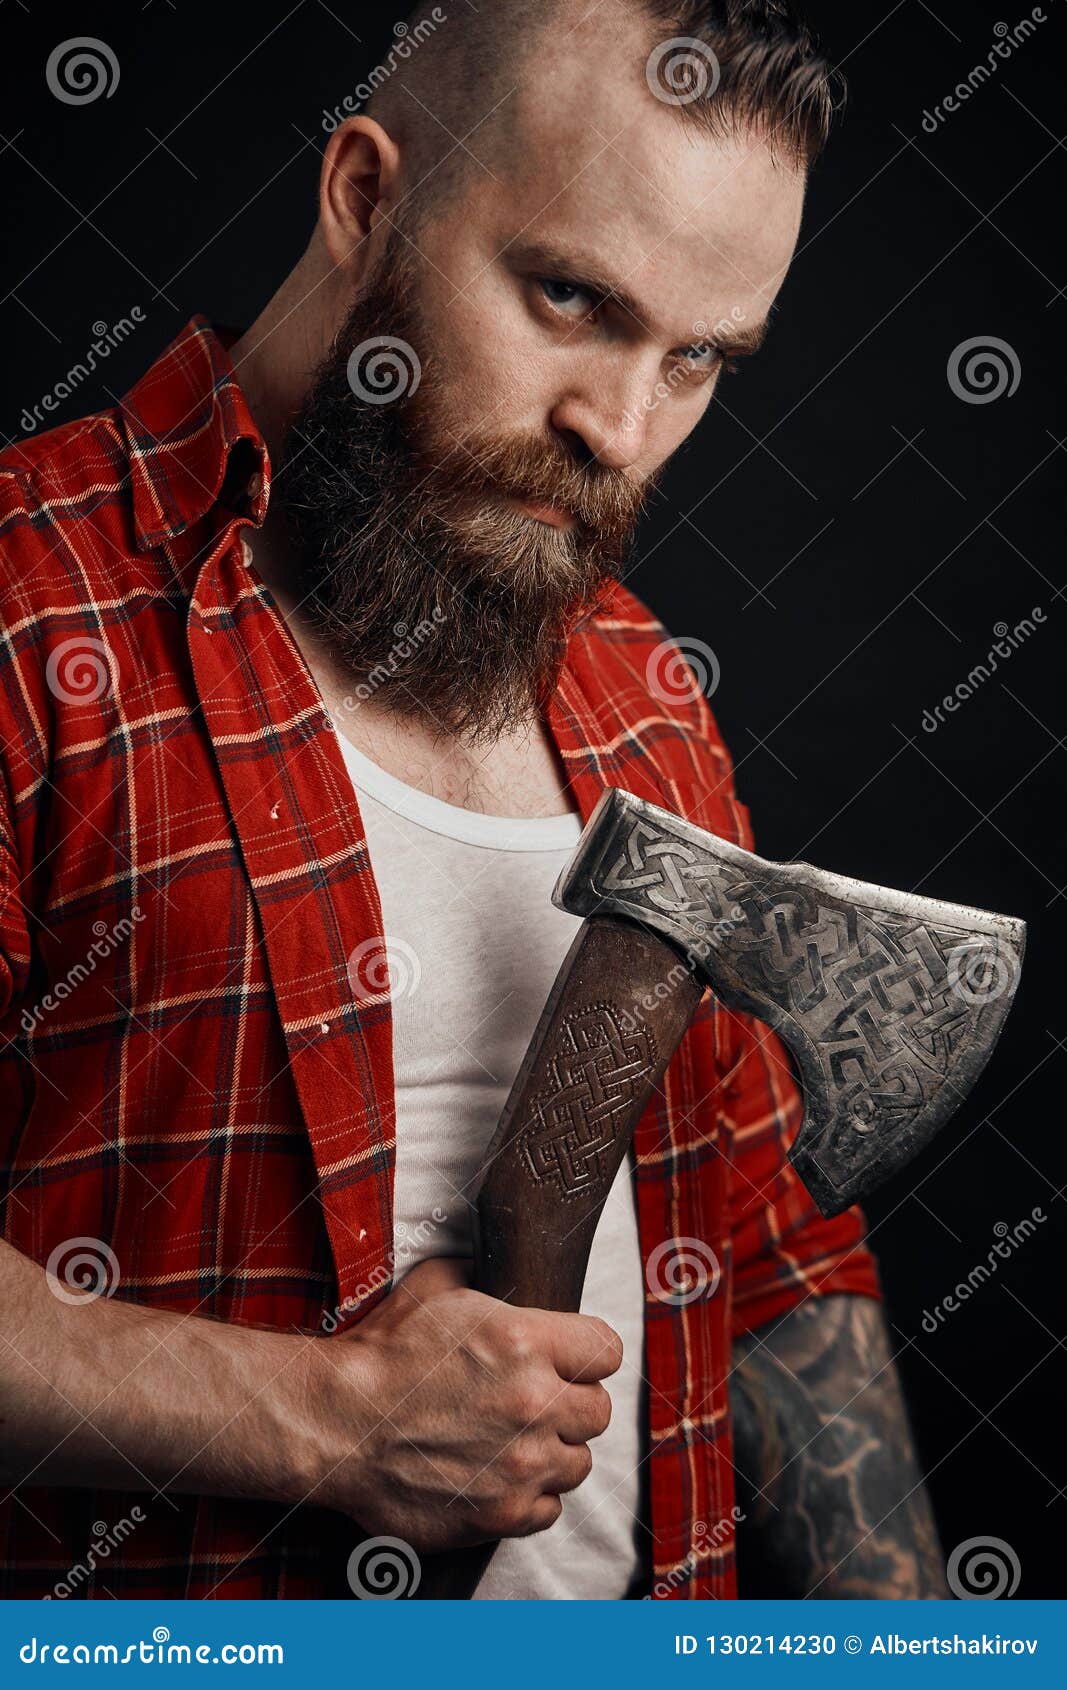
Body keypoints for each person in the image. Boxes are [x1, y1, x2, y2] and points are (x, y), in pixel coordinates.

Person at [0, 0, 946, 1599]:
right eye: (570, 296)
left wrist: (908, 1636)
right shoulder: (34, 617)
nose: (622, 431)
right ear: (367, 198)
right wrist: (333, 1418)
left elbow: (771, 1248)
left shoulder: (641, 688)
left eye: (700, 359)